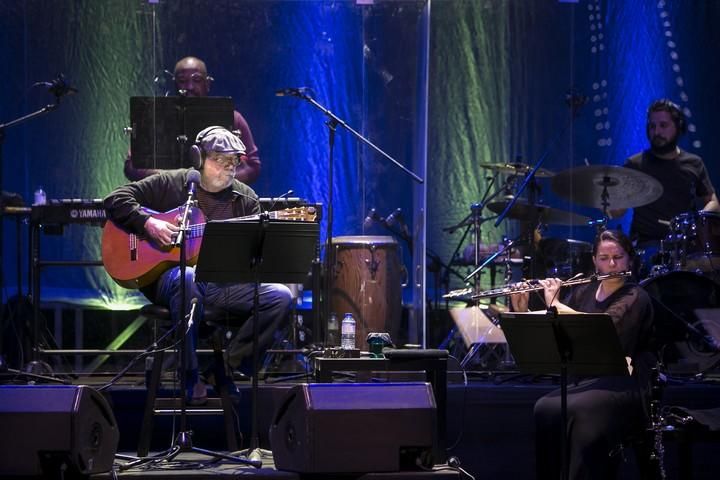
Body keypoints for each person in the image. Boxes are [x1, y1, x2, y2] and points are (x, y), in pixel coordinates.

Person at [106, 126, 291, 404]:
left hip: (220, 284)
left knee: (281, 296)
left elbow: (253, 260)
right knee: (188, 275)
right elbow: (114, 200)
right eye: (220, 160)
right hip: (169, 279)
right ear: (199, 158)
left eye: (234, 162)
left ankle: (224, 367)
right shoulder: (173, 183)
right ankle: (189, 374)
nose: (229, 168)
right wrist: (148, 223)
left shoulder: (246, 199)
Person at [510, 229, 655, 479]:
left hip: (626, 383)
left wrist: (555, 304)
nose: (611, 264)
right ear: (594, 260)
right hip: (588, 381)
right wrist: (522, 309)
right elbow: (558, 333)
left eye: (618, 257)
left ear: (629, 259)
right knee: (544, 407)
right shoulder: (584, 291)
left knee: (582, 408)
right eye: (604, 258)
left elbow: (605, 328)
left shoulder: (635, 296)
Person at [611, 99, 719, 273]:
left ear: (678, 127)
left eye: (663, 125)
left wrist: (698, 221)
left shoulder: (694, 163)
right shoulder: (635, 164)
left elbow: (713, 201)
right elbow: (618, 211)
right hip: (646, 246)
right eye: (652, 126)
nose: (656, 131)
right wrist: (607, 201)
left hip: (687, 246)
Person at [124, 56, 262, 185]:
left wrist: (214, 181)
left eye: (196, 80)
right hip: (164, 203)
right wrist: (169, 178)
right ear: (174, 84)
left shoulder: (233, 118)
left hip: (217, 204)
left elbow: (252, 166)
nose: (189, 87)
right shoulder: (153, 118)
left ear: (207, 84)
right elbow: (132, 165)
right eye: (182, 81)